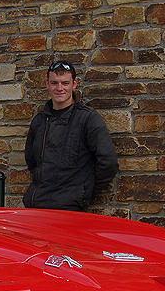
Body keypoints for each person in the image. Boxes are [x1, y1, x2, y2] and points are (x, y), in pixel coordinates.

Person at [22, 60, 117, 210]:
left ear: (74, 84)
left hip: (69, 208)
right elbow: (31, 160)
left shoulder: (88, 119)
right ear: (47, 84)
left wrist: (84, 192)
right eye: (54, 83)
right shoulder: (39, 121)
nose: (59, 88)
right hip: (36, 206)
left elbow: (108, 162)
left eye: (65, 83)